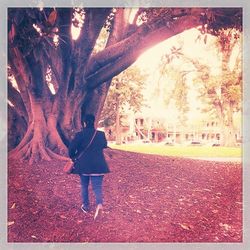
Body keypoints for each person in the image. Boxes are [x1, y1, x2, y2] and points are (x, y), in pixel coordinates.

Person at [68, 114, 110, 220]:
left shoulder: (80, 135)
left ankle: (85, 206)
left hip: (84, 165)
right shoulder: (100, 134)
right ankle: (99, 204)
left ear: (84, 123)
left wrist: (73, 157)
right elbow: (104, 145)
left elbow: (71, 149)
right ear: (94, 122)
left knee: (84, 186)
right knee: (97, 187)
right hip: (98, 164)